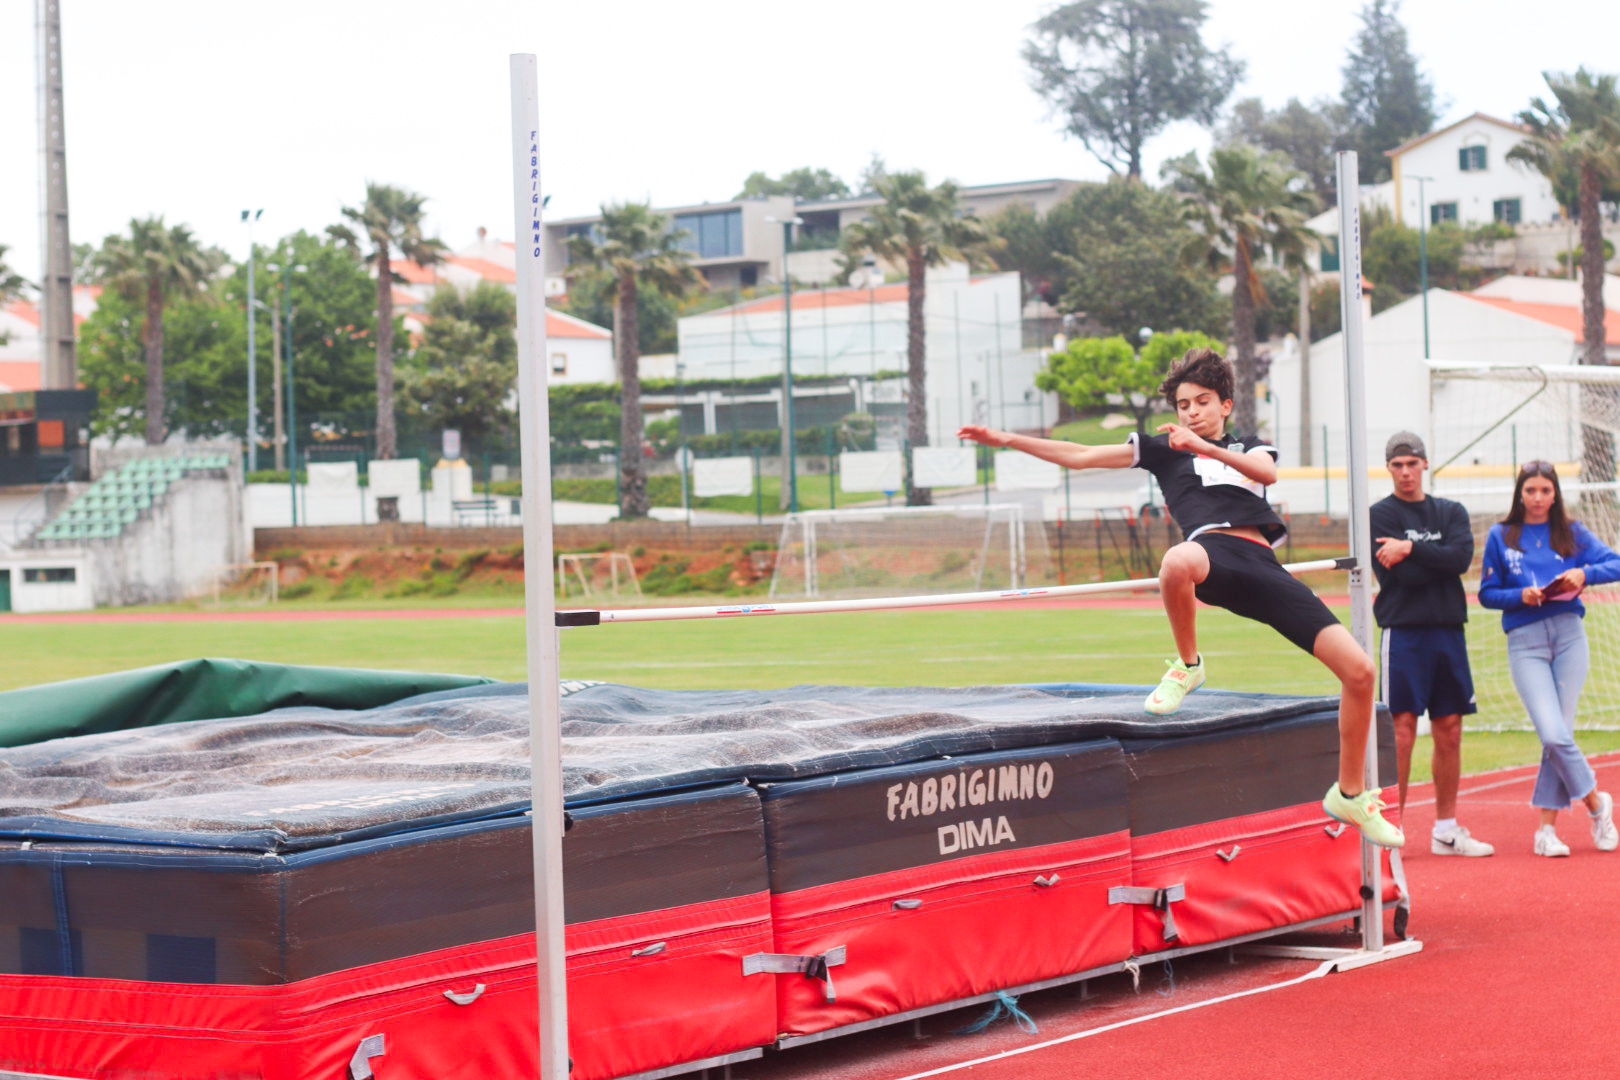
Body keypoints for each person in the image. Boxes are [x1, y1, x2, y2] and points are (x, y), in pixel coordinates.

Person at [958, 346, 1401, 848]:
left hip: (1264, 568)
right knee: (1176, 560)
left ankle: (1348, 792)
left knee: (1361, 672)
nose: (1191, 413)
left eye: (1202, 402)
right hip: (1211, 553)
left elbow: (1267, 474)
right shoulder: (1165, 449)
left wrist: (1206, 448)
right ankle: (1189, 665)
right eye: (1183, 405)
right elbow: (1080, 456)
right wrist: (1005, 439)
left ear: (1226, 405)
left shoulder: (1250, 446)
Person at [1479, 461, 1620, 856]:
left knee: (1560, 734)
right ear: (1519, 494)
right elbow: (1487, 593)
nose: (1538, 498)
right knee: (1554, 734)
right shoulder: (1501, 535)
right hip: (1525, 642)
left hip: (1570, 637)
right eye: (1530, 491)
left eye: (1545, 490)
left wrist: (1584, 574)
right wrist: (1520, 596)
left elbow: (1616, 564)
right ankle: (1596, 804)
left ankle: (1546, 831)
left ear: (1555, 493)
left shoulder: (1571, 532)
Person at [1370, 432, 1493, 856]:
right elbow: (1398, 576)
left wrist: (1410, 549)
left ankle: (1446, 828)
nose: (1406, 472)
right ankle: (1392, 835)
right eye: (1397, 464)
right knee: (1402, 731)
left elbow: (1459, 560)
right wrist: (1427, 557)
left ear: (1425, 464)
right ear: (1389, 469)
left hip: (1448, 630)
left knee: (1450, 730)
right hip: (1403, 632)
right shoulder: (1378, 515)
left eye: (1412, 463)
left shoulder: (1450, 512)